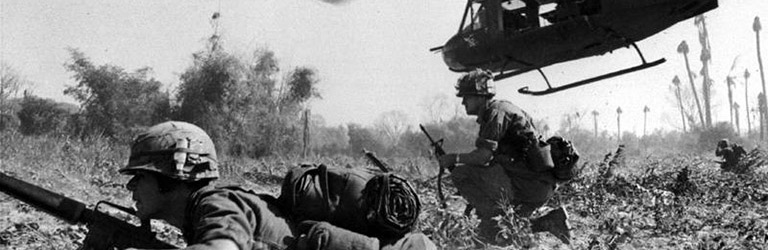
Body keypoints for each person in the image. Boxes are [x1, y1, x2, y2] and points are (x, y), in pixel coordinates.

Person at [121, 121, 436, 250]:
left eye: (140, 176)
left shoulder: (217, 204)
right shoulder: (206, 209)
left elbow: (222, 247)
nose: (131, 187)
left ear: (172, 176)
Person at [437, 69, 569, 244]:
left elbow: (483, 157)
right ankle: (550, 221)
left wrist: (453, 159)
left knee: (461, 174)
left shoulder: (495, 113)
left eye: (466, 97)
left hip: (527, 184)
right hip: (537, 186)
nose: (463, 102)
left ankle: (491, 216)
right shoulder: (503, 109)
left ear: (479, 95)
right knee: (500, 233)